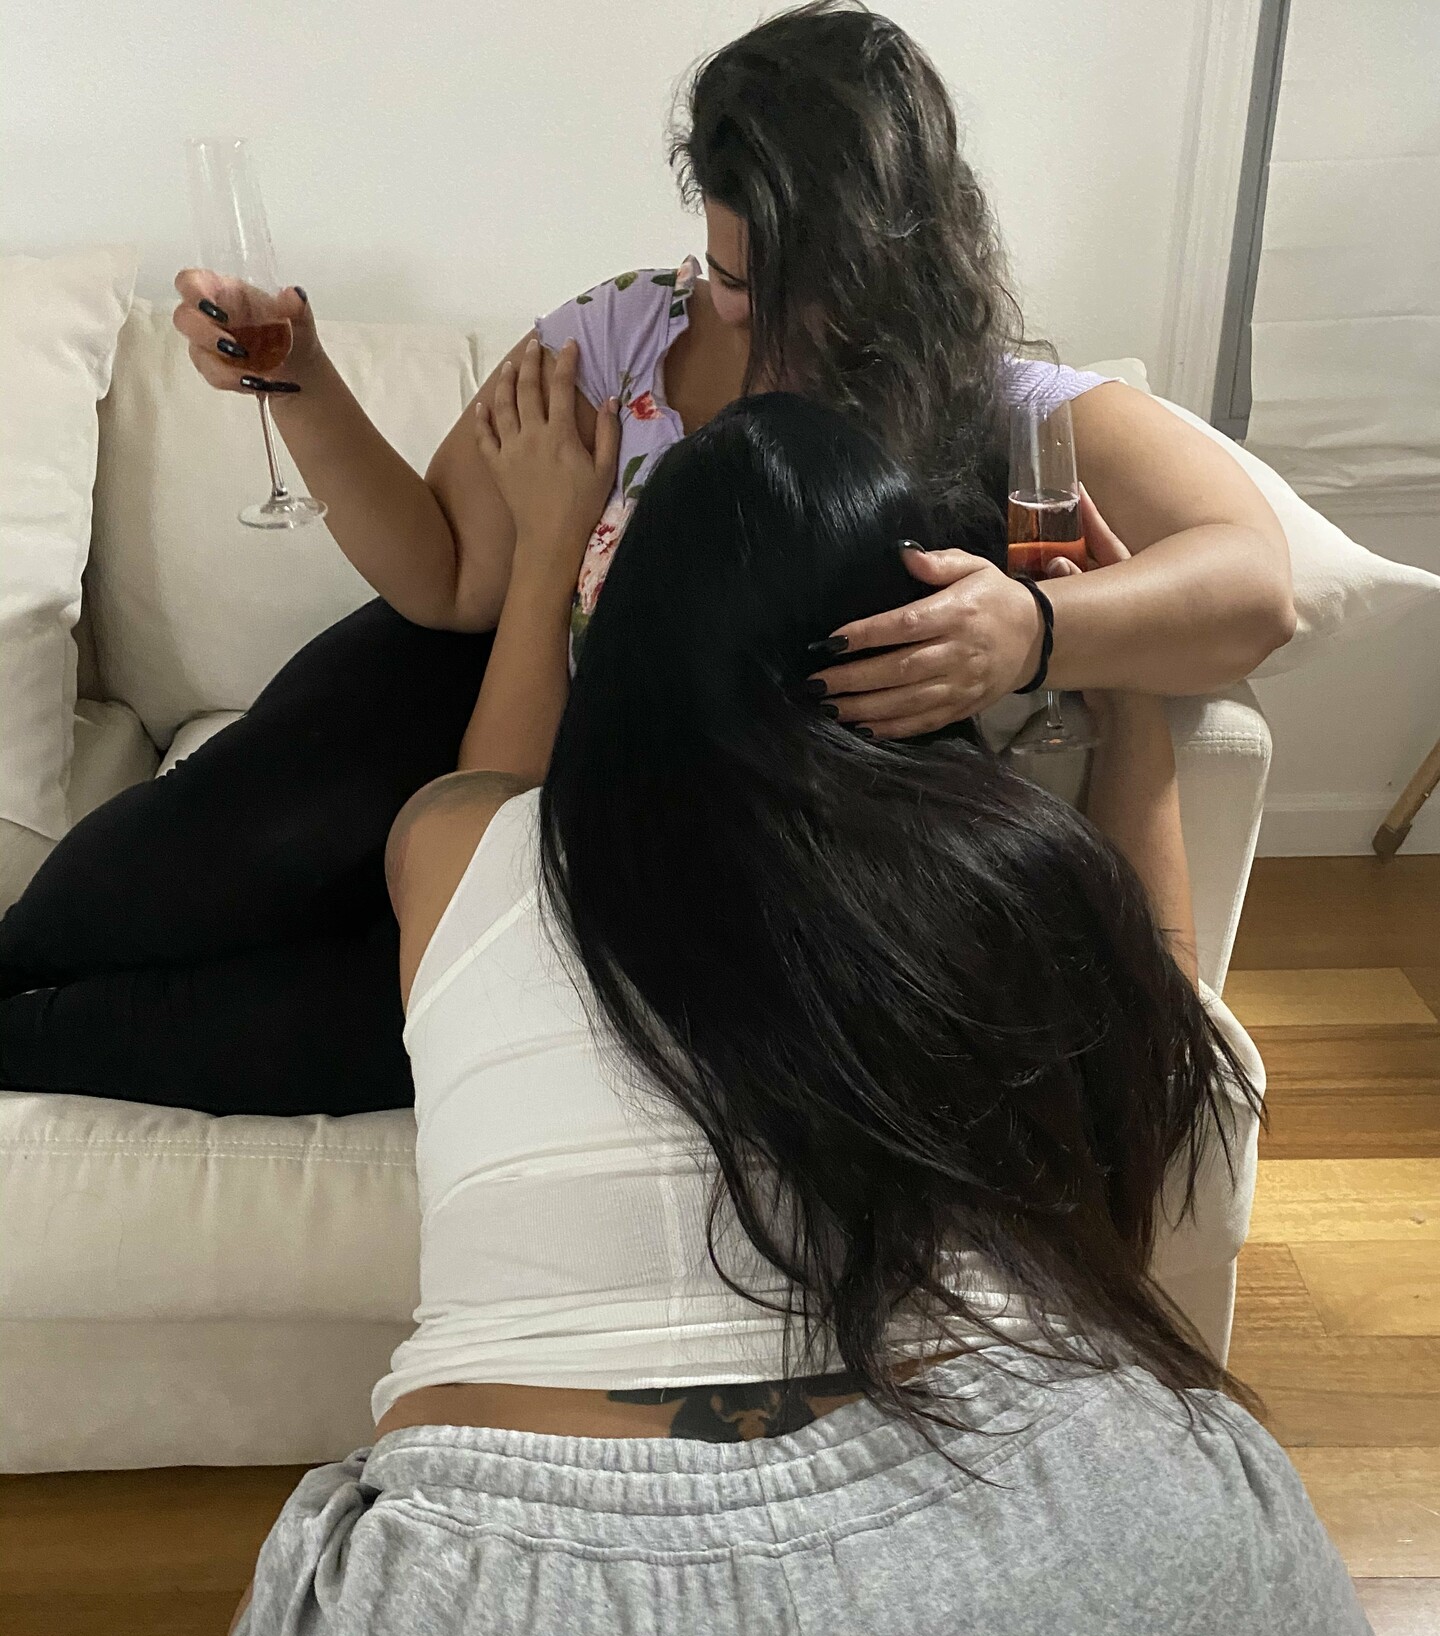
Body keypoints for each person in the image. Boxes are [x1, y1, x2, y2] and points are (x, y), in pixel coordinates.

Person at [176, 350, 1392, 1636]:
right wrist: (1121, 698)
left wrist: (547, 550)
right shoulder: (1014, 870)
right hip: (1136, 1629)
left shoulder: (462, 853)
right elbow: (1170, 1036)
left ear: (630, 636)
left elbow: (497, 775)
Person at [0, 0, 1296, 1118]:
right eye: (732, 275)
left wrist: (1037, 633)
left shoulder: (1001, 407)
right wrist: (303, 382)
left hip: (637, 823)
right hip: (447, 694)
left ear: (901, 250)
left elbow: (1256, 582)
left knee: (295, 1028)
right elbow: (446, 582)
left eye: (805, 283)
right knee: (191, 866)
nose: (754, 318)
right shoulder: (629, 331)